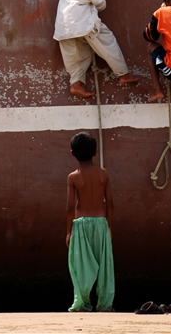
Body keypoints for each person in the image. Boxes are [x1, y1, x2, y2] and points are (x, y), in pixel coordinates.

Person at [54, 0, 139, 98]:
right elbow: (100, 4)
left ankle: (76, 84)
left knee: (80, 56)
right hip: (83, 21)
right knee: (108, 42)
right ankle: (123, 73)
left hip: (64, 24)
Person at [65, 131, 115, 312]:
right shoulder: (103, 174)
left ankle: (83, 303)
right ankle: (105, 304)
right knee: (105, 266)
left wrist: (69, 231)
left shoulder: (73, 177)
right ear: (95, 152)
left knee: (80, 266)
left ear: (72, 153)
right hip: (101, 223)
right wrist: (109, 226)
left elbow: (70, 207)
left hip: (81, 225)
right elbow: (110, 202)